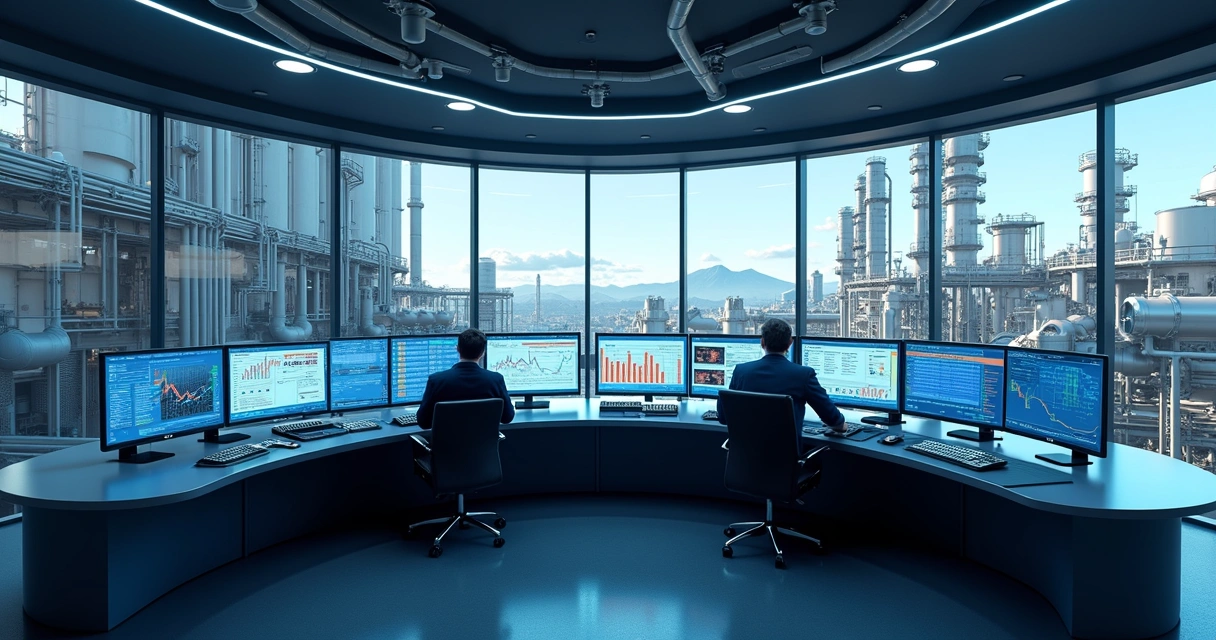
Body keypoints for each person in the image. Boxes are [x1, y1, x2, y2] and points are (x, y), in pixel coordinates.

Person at [718, 318, 846, 432]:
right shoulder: (803, 375)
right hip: (785, 457)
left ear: (762, 343)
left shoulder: (741, 371)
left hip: (744, 457)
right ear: (790, 343)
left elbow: (724, 418)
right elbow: (833, 420)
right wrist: (842, 426)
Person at [416, 328, 516, 429]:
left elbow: (423, 423)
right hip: (483, 444)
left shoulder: (436, 381)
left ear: (457, 349)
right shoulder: (496, 380)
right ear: (483, 353)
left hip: (447, 444)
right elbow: (507, 417)